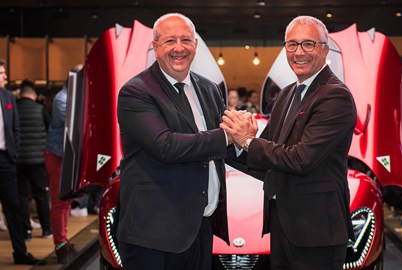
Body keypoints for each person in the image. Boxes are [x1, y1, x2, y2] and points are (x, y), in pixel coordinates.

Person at [221, 16, 356, 269]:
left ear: (324, 49)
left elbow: (300, 159)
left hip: (317, 232)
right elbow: (265, 157)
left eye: (308, 44)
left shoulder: (335, 95)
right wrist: (229, 143)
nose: (299, 52)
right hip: (284, 225)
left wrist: (248, 141)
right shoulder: (286, 94)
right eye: (292, 45)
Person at [115, 13, 230, 270]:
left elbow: (226, 149)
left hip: (200, 225)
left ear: (195, 46)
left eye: (186, 40)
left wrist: (271, 157)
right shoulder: (136, 91)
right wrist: (228, 135)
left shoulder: (209, 89)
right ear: (155, 48)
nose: (179, 48)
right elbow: (166, 146)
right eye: (169, 41)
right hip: (153, 234)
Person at [0, 59, 46, 265]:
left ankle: (20, 252)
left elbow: (16, 127)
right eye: (1, 73)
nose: (5, 77)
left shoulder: (8, 96)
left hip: (6, 159)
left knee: (14, 207)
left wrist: (14, 153)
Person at [44, 64, 83, 264]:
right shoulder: (62, 99)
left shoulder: (74, 96)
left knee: (66, 200)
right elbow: (76, 125)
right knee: (60, 202)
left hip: (66, 156)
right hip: (57, 156)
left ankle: (64, 240)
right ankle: (60, 245)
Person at [16, 80, 52, 241]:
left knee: (22, 196)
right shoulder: (40, 109)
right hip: (38, 160)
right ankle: (46, 230)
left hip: (18, 160)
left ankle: (26, 231)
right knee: (41, 195)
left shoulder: (13, 109)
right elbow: (49, 130)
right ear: (34, 95)